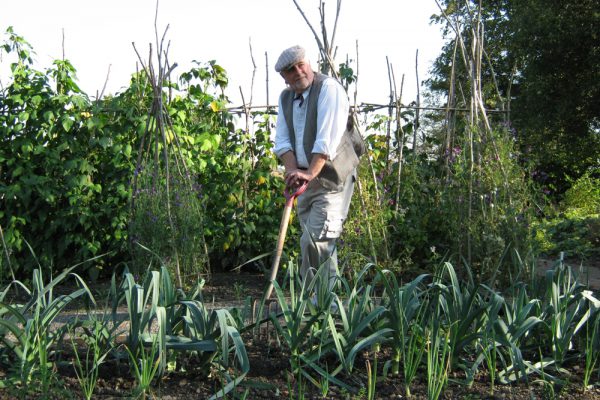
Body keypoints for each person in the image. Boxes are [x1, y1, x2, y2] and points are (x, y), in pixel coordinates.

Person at [272, 45, 360, 295]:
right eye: (291, 70)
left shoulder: (328, 89)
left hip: (332, 179)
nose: (298, 71)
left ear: (308, 64)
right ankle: (314, 306)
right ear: (285, 77)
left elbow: (326, 141)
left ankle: (323, 307)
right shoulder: (285, 98)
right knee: (313, 245)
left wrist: (310, 174)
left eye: (301, 65)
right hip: (304, 180)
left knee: (317, 241)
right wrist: (292, 173)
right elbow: (282, 141)